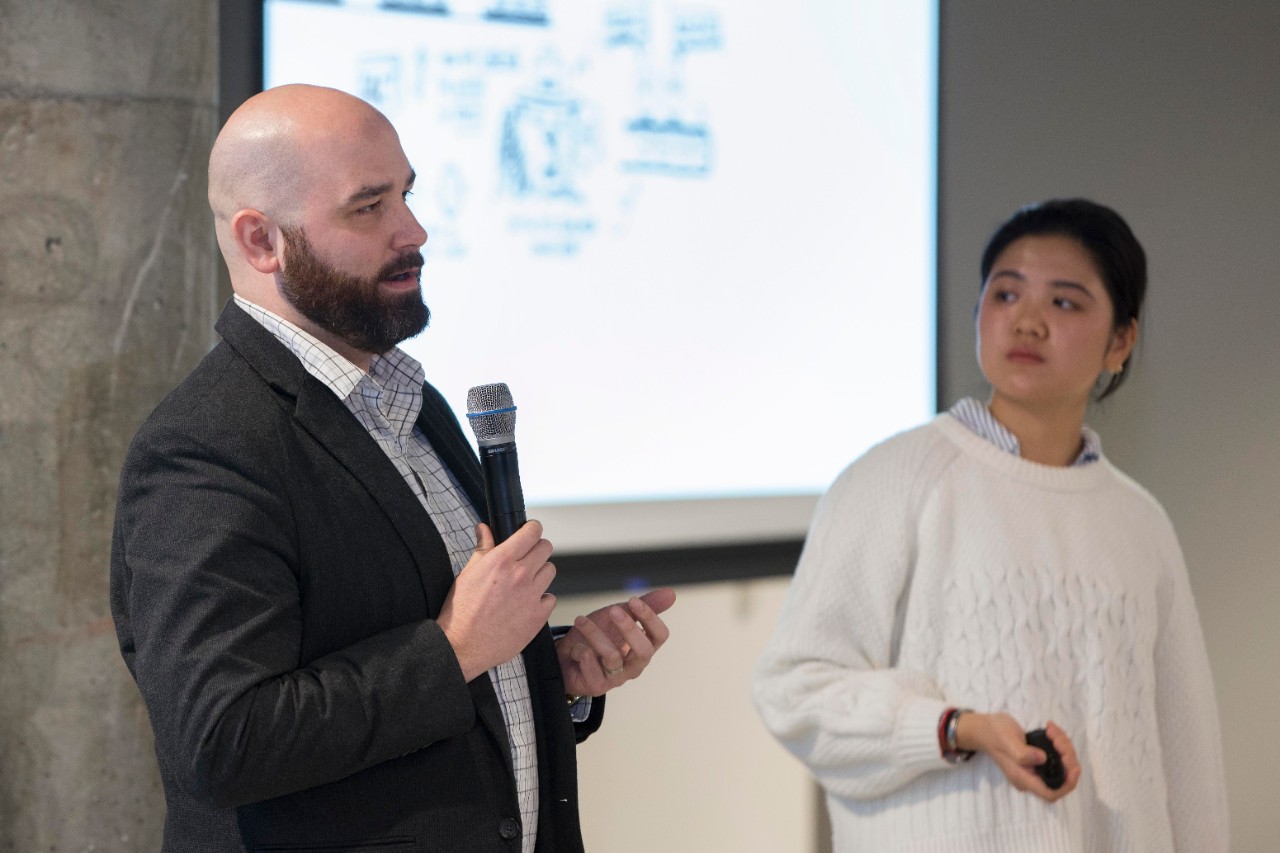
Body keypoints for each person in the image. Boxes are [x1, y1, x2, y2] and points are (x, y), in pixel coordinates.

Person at [109, 83, 676, 853]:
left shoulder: (415, 404)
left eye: (406, 195)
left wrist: (548, 665)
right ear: (261, 240)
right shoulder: (207, 445)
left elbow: (423, 665)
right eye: (368, 207)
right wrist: (458, 650)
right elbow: (222, 740)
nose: (414, 230)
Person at [752, 199, 1228, 851]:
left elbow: (1188, 757)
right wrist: (953, 727)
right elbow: (794, 690)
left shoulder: (1140, 521)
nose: (1027, 320)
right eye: (1006, 294)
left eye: (1064, 302)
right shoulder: (894, 478)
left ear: (1120, 342)